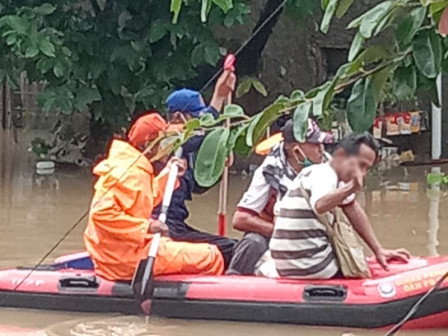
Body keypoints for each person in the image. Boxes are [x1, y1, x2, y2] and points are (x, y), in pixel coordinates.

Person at [84, 113, 224, 281]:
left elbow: (145, 198)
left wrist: (169, 175)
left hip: (124, 250)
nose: (170, 146)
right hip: (122, 259)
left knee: (199, 250)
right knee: (211, 255)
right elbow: (101, 215)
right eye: (165, 142)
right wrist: (148, 226)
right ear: (150, 144)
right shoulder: (128, 172)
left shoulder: (134, 168)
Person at [270, 133, 410, 278]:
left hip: (284, 265)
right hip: (311, 266)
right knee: (354, 265)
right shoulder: (324, 174)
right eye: (360, 165)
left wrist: (378, 250)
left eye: (367, 168)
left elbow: (353, 209)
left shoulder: (317, 173)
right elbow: (320, 205)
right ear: (342, 155)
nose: (363, 173)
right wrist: (352, 187)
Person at [152, 69, 237, 268]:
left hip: (177, 224)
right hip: (161, 225)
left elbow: (199, 184)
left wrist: (219, 165)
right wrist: (218, 98)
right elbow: (199, 133)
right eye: (197, 117)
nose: (201, 123)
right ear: (179, 117)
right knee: (228, 248)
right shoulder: (166, 140)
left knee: (234, 245)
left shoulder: (184, 152)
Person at [226, 119, 332, 275]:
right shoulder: (269, 172)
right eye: (314, 144)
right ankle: (233, 285)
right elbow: (241, 219)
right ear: (294, 149)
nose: (321, 149)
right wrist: (284, 232)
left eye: (321, 144)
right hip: (274, 236)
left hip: (315, 236)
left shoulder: (329, 169)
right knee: (252, 243)